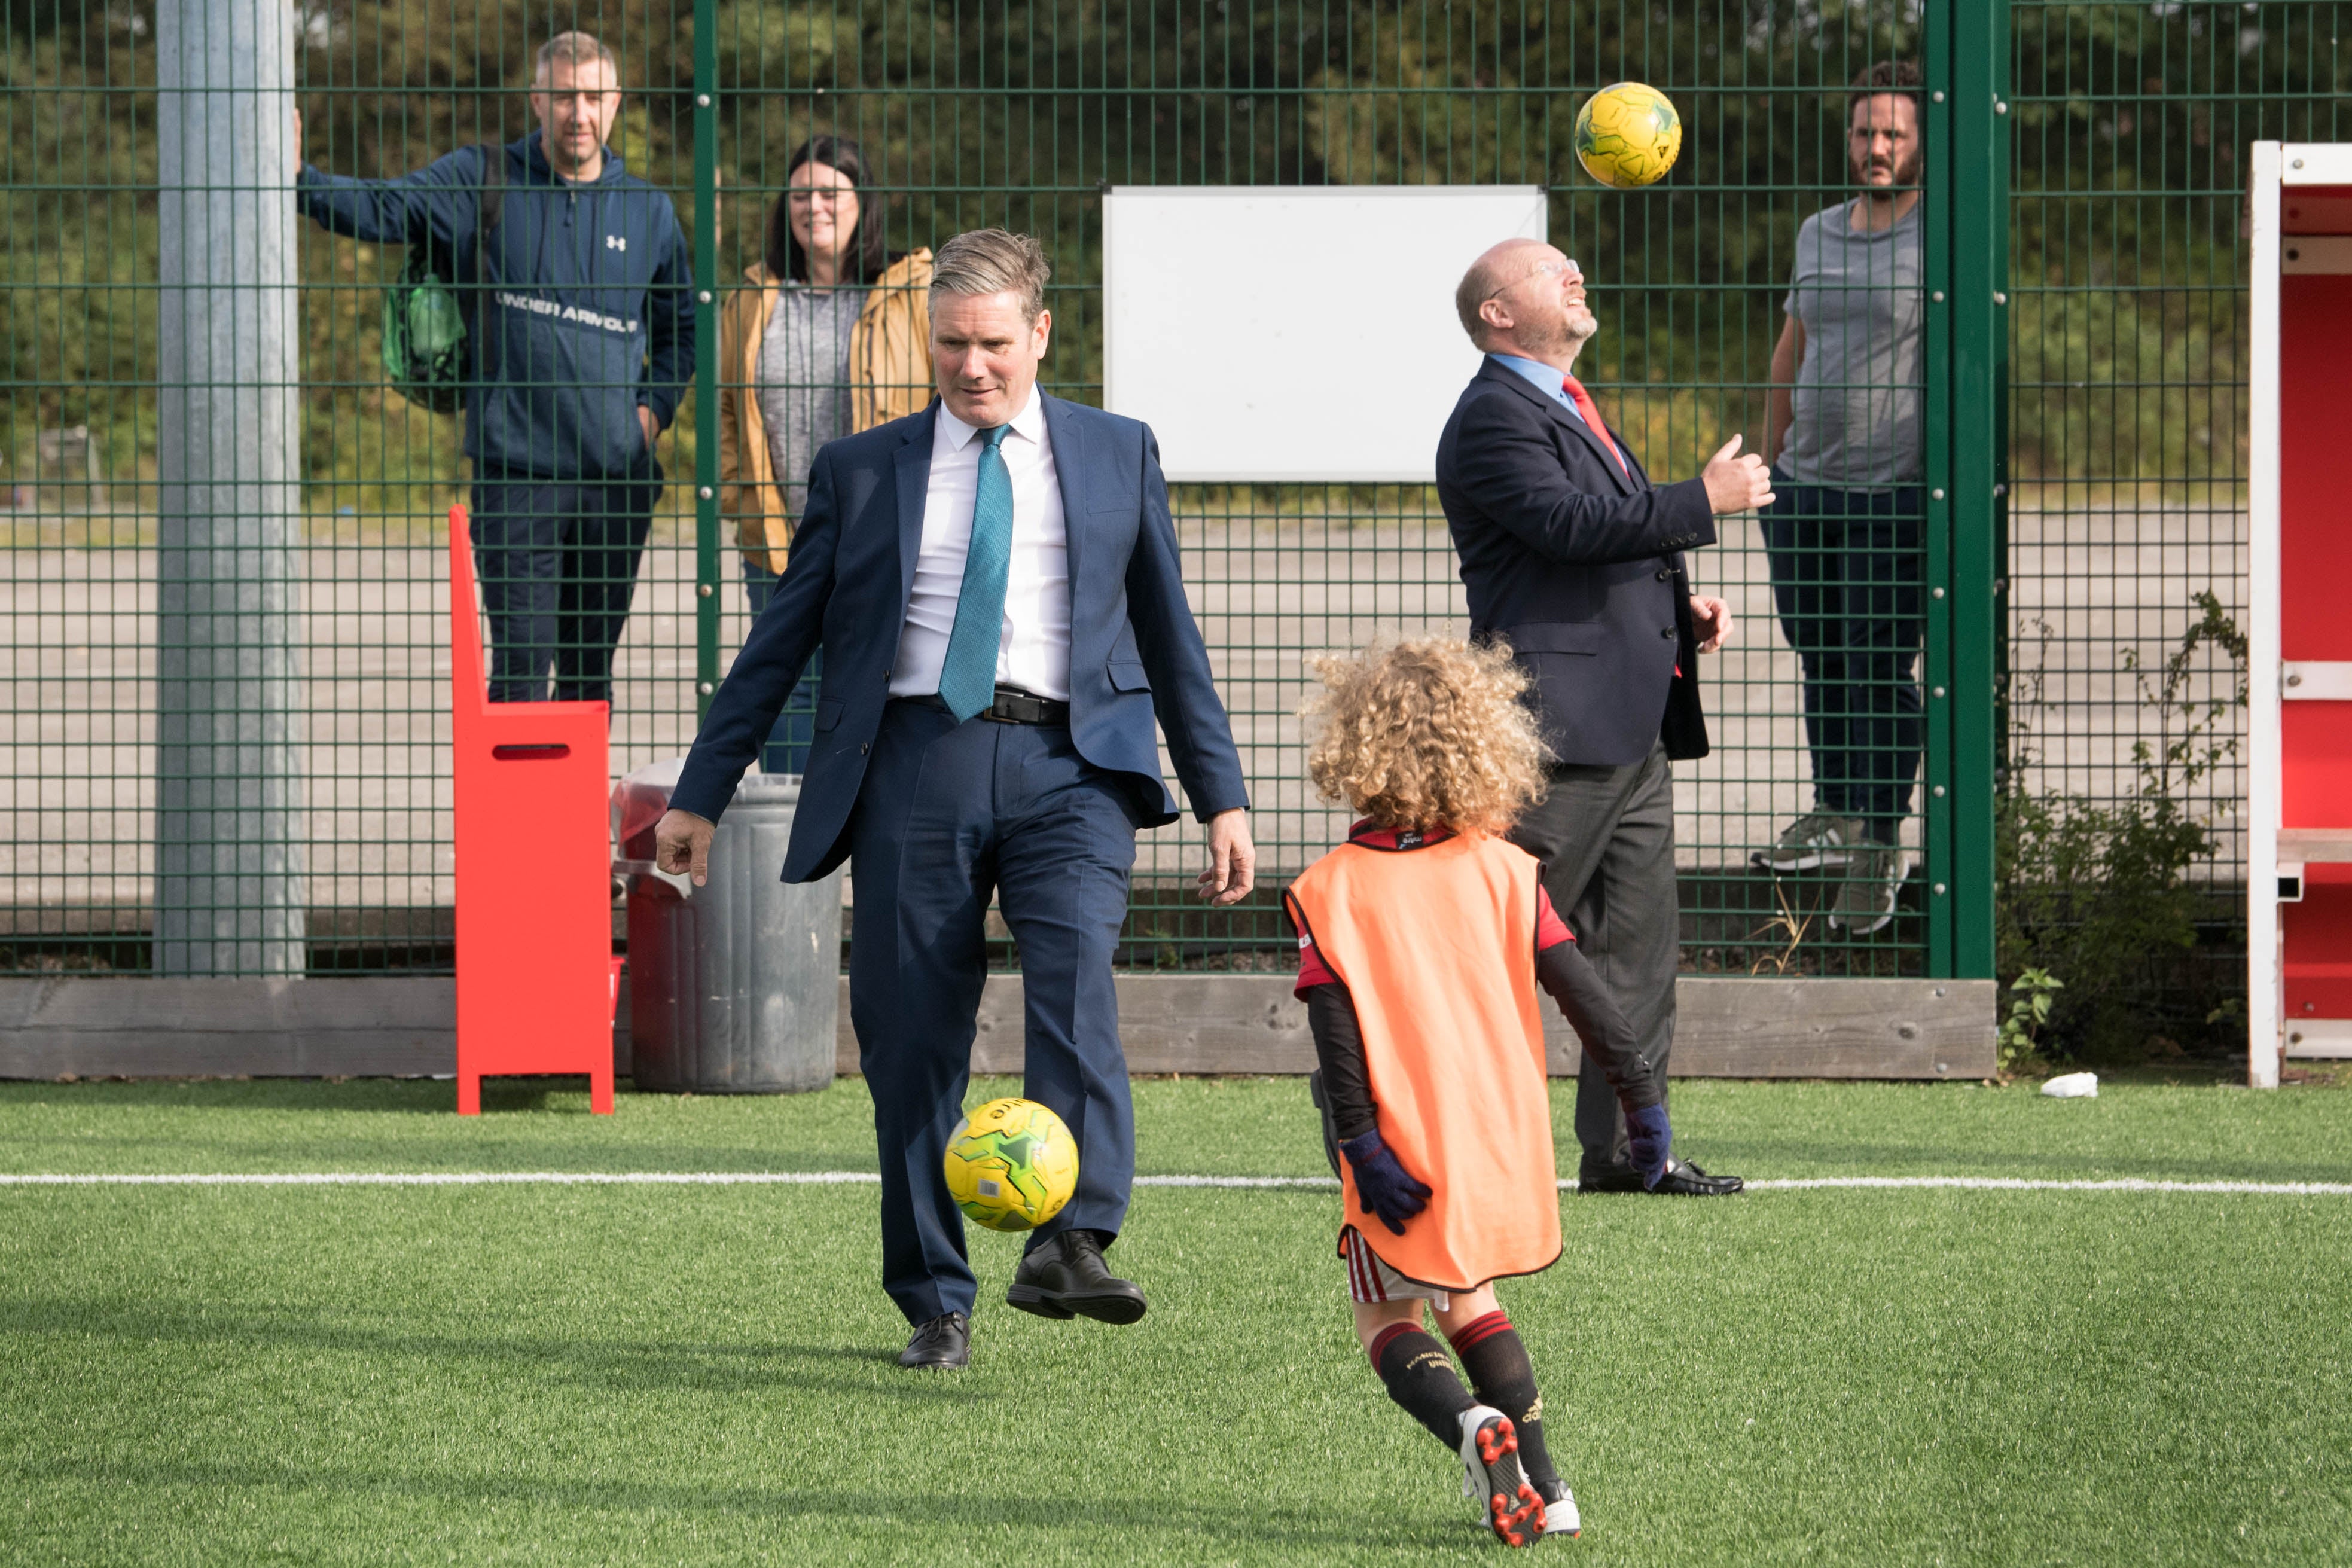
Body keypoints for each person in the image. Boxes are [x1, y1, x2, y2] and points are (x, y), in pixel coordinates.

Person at [652, 229, 1255, 1371]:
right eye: (949, 345)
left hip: (1073, 762)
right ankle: (936, 1299)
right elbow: (779, 643)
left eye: (992, 344)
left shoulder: (1116, 451)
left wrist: (1219, 792)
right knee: (910, 1038)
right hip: (913, 762)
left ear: (1039, 334)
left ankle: (1070, 1238)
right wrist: (701, 792)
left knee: (1074, 983)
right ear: (926, 339)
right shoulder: (860, 468)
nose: (970, 367)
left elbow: (1172, 636)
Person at [1288, 636, 1686, 1546]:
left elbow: (1337, 1038)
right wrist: (1641, 1099)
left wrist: (1359, 1143)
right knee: (1470, 1296)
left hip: (1399, 1144)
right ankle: (1550, 1489)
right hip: (1497, 1143)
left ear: (1351, 747)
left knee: (1384, 1311)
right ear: (1483, 743)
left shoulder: (1331, 888)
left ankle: (1470, 1426)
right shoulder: (1507, 870)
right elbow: (1589, 994)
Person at [1435, 236, 1767, 1197]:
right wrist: (1701, 499)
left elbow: (1597, 545)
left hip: (1629, 729)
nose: (1576, 273)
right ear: (1498, 312)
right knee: (1487, 950)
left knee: (1633, 959)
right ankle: (1418, 1136)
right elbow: (1568, 527)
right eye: (1549, 271)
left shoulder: (1564, 402)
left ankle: (1632, 1152)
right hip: (1551, 730)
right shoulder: (1493, 416)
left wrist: (1677, 608)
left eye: (1576, 264)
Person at [294, 32, 693, 706]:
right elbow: (382, 207)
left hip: (616, 481)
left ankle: (574, 816)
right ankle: (525, 816)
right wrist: (298, 177)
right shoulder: (480, 180)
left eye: (594, 96)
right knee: (519, 672)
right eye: (564, 96)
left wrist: (649, 416)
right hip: (518, 476)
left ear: (615, 102)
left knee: (590, 679)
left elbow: (681, 330)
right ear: (537, 99)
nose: (579, 112)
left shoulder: (648, 210)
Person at [1756, 59, 1929, 934]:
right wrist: (1768, 459)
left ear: (1921, 143)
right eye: (1865, 131)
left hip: (1892, 486)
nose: (1876, 147)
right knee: (1820, 653)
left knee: (1875, 661)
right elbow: (1792, 348)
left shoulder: (1940, 233)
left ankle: (1878, 840)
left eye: (1894, 133)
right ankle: (1835, 806)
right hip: (1804, 485)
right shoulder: (1818, 232)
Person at [718, 134, 934, 774]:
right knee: (786, 701)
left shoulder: (911, 294)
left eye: (832, 192)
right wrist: (740, 495)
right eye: (803, 193)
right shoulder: (754, 300)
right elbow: (728, 409)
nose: (816, 206)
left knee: (882, 698)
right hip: (781, 540)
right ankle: (794, 863)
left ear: (862, 203)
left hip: (886, 539)